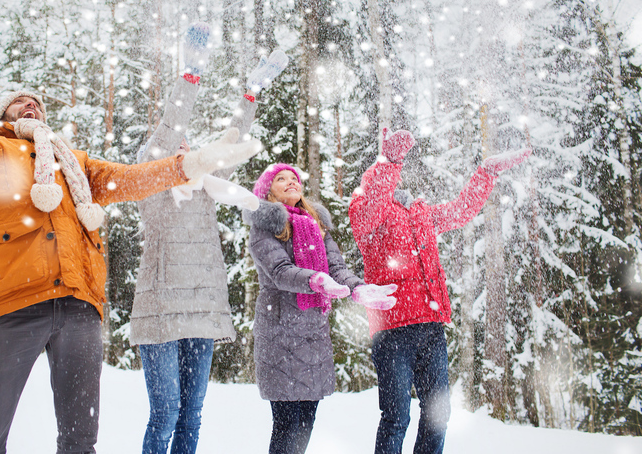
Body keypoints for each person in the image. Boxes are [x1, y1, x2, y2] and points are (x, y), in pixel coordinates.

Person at [0, 61, 261, 454]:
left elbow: (128, 179)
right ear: (1, 116)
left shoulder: (71, 162)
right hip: (12, 305)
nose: (31, 106)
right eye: (19, 103)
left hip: (78, 304)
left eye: (36, 104)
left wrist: (190, 165)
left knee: (80, 438)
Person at [130, 23, 288, 454]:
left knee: (191, 415)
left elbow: (232, 142)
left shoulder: (209, 185)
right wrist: (191, 75)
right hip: (161, 312)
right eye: (173, 143)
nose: (182, 143)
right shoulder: (152, 184)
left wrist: (251, 94)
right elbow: (167, 126)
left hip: (203, 311)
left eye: (187, 142)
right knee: (165, 414)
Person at [348, 127, 531, 454]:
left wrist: (485, 173)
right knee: (396, 417)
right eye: (384, 176)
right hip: (392, 330)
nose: (393, 179)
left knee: (438, 414)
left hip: (430, 327)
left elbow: (462, 210)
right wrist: (389, 161)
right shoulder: (365, 211)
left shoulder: (420, 214)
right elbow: (375, 199)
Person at [243, 163, 398, 454]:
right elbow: (279, 271)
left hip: (313, 333)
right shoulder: (264, 227)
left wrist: (357, 287)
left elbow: (336, 268)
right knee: (287, 427)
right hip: (280, 334)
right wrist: (315, 280)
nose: (291, 182)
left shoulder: (316, 224)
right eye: (281, 179)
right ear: (267, 191)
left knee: (306, 424)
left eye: (294, 178)